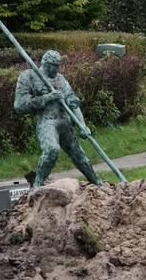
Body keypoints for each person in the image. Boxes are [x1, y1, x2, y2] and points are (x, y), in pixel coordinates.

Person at [14, 50, 103, 188]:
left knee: (79, 155)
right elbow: (19, 105)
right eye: (53, 65)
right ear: (45, 64)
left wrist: (82, 125)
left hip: (65, 122)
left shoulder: (61, 80)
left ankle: (96, 182)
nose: (56, 69)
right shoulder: (29, 76)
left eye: (58, 65)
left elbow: (73, 103)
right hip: (47, 121)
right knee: (52, 150)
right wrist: (46, 98)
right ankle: (37, 183)